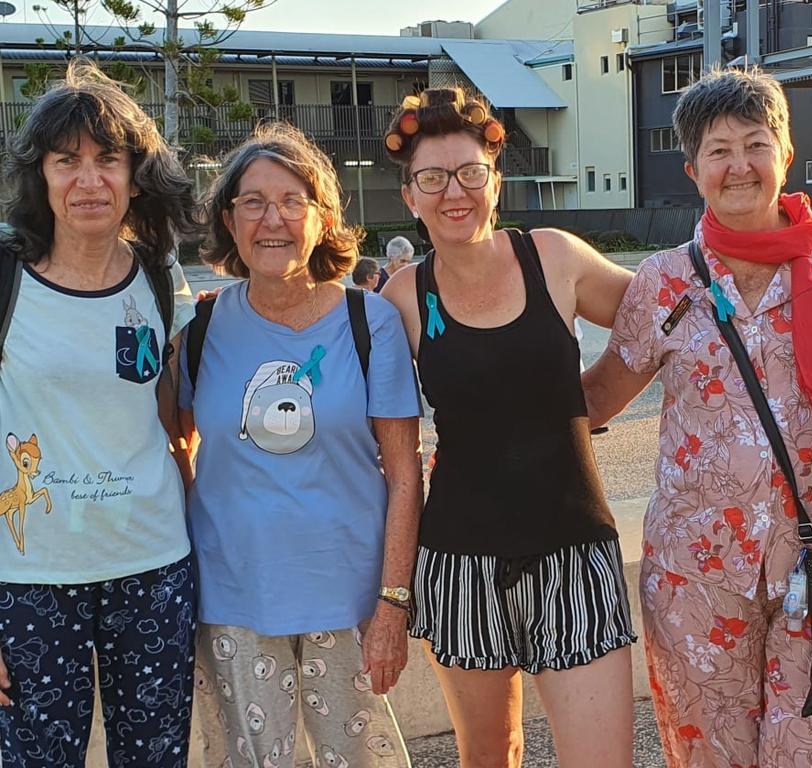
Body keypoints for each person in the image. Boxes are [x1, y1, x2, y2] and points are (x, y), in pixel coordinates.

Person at [583, 67, 812, 768]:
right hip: (695, 577)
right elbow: (599, 396)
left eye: (755, 144)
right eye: (719, 150)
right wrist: (488, 424)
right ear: (693, 169)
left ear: (785, 152)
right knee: (709, 757)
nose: (739, 166)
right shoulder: (663, 280)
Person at [380, 89, 636, 768]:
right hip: (459, 558)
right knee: (490, 754)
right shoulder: (402, 296)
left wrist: (595, 400)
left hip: (575, 548)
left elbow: (662, 315)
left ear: (496, 179)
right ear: (410, 196)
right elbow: (356, 408)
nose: (453, 192)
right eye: (432, 178)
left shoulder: (554, 256)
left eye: (469, 172)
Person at [179, 122, 422, 768]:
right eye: (252, 202)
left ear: (322, 218)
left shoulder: (369, 323)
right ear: (229, 222)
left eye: (292, 200)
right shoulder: (201, 327)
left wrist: (394, 601)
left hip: (348, 601)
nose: (272, 220)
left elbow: (404, 473)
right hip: (233, 598)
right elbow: (176, 448)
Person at [0, 59, 198, 767]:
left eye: (107, 160)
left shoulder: (158, 274)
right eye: (67, 161)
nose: (89, 180)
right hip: (27, 580)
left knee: (154, 757)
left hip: (152, 566)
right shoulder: (7, 278)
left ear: (134, 174)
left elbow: (175, 417)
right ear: (41, 175)